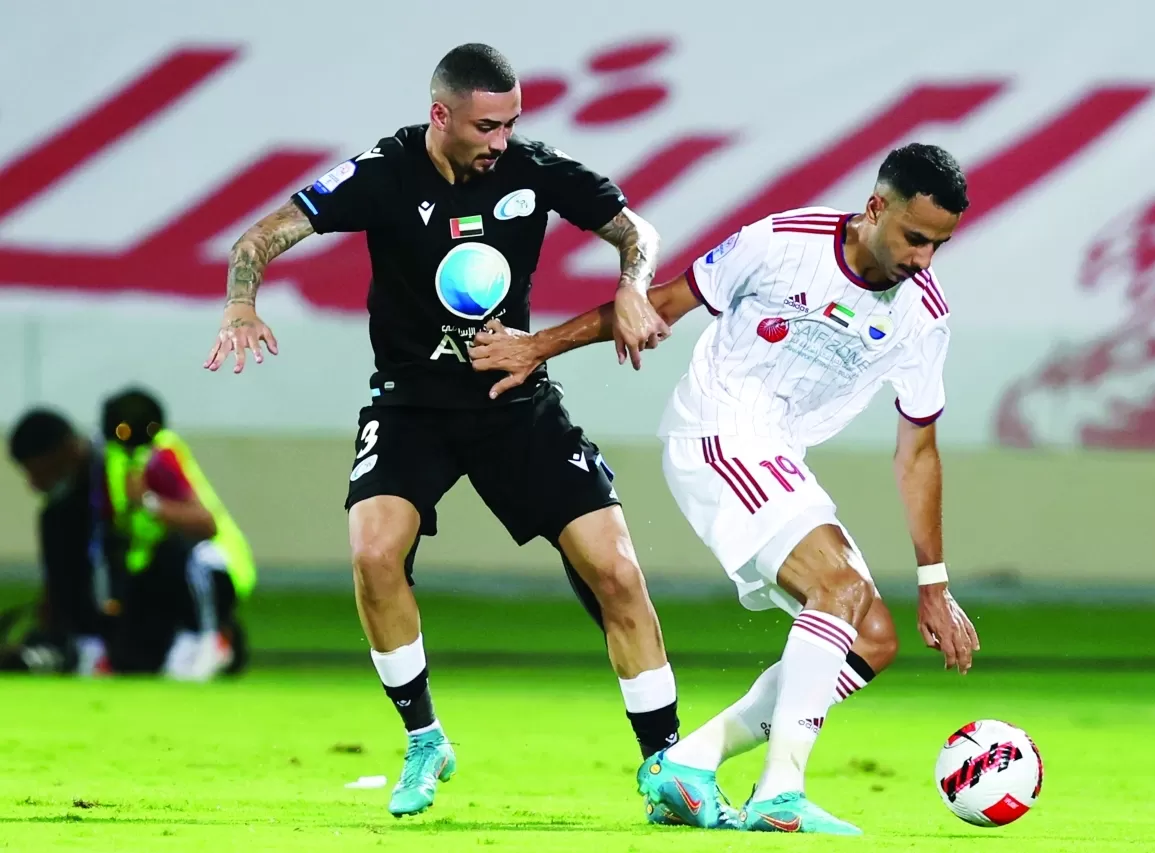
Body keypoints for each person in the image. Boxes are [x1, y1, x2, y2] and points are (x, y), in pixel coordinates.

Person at [203, 43, 696, 820]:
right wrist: (241, 302)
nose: (501, 141)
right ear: (441, 114)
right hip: (411, 406)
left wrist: (632, 287)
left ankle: (668, 764)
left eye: (511, 123)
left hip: (514, 399)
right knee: (373, 552)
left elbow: (637, 230)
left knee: (616, 570)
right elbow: (258, 238)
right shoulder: (385, 173)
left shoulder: (533, 168)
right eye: (486, 126)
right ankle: (425, 737)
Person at [469, 143, 983, 835]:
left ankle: (689, 761)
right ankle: (780, 793)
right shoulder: (781, 243)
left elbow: (917, 451)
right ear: (875, 207)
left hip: (779, 451)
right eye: (915, 237)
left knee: (872, 637)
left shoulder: (924, 313)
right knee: (838, 587)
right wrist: (538, 346)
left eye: (939, 244)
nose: (924, 258)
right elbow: (658, 305)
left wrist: (934, 583)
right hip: (718, 430)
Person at [99, 387, 254, 679]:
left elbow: (205, 524)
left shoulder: (161, 457)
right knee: (130, 661)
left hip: (209, 567)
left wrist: (148, 502)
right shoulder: (112, 459)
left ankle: (214, 637)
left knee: (178, 550)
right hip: (148, 572)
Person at [3, 409, 112, 675]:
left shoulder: (114, 480)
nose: (34, 485)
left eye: (40, 472)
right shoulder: (58, 513)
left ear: (67, 449)